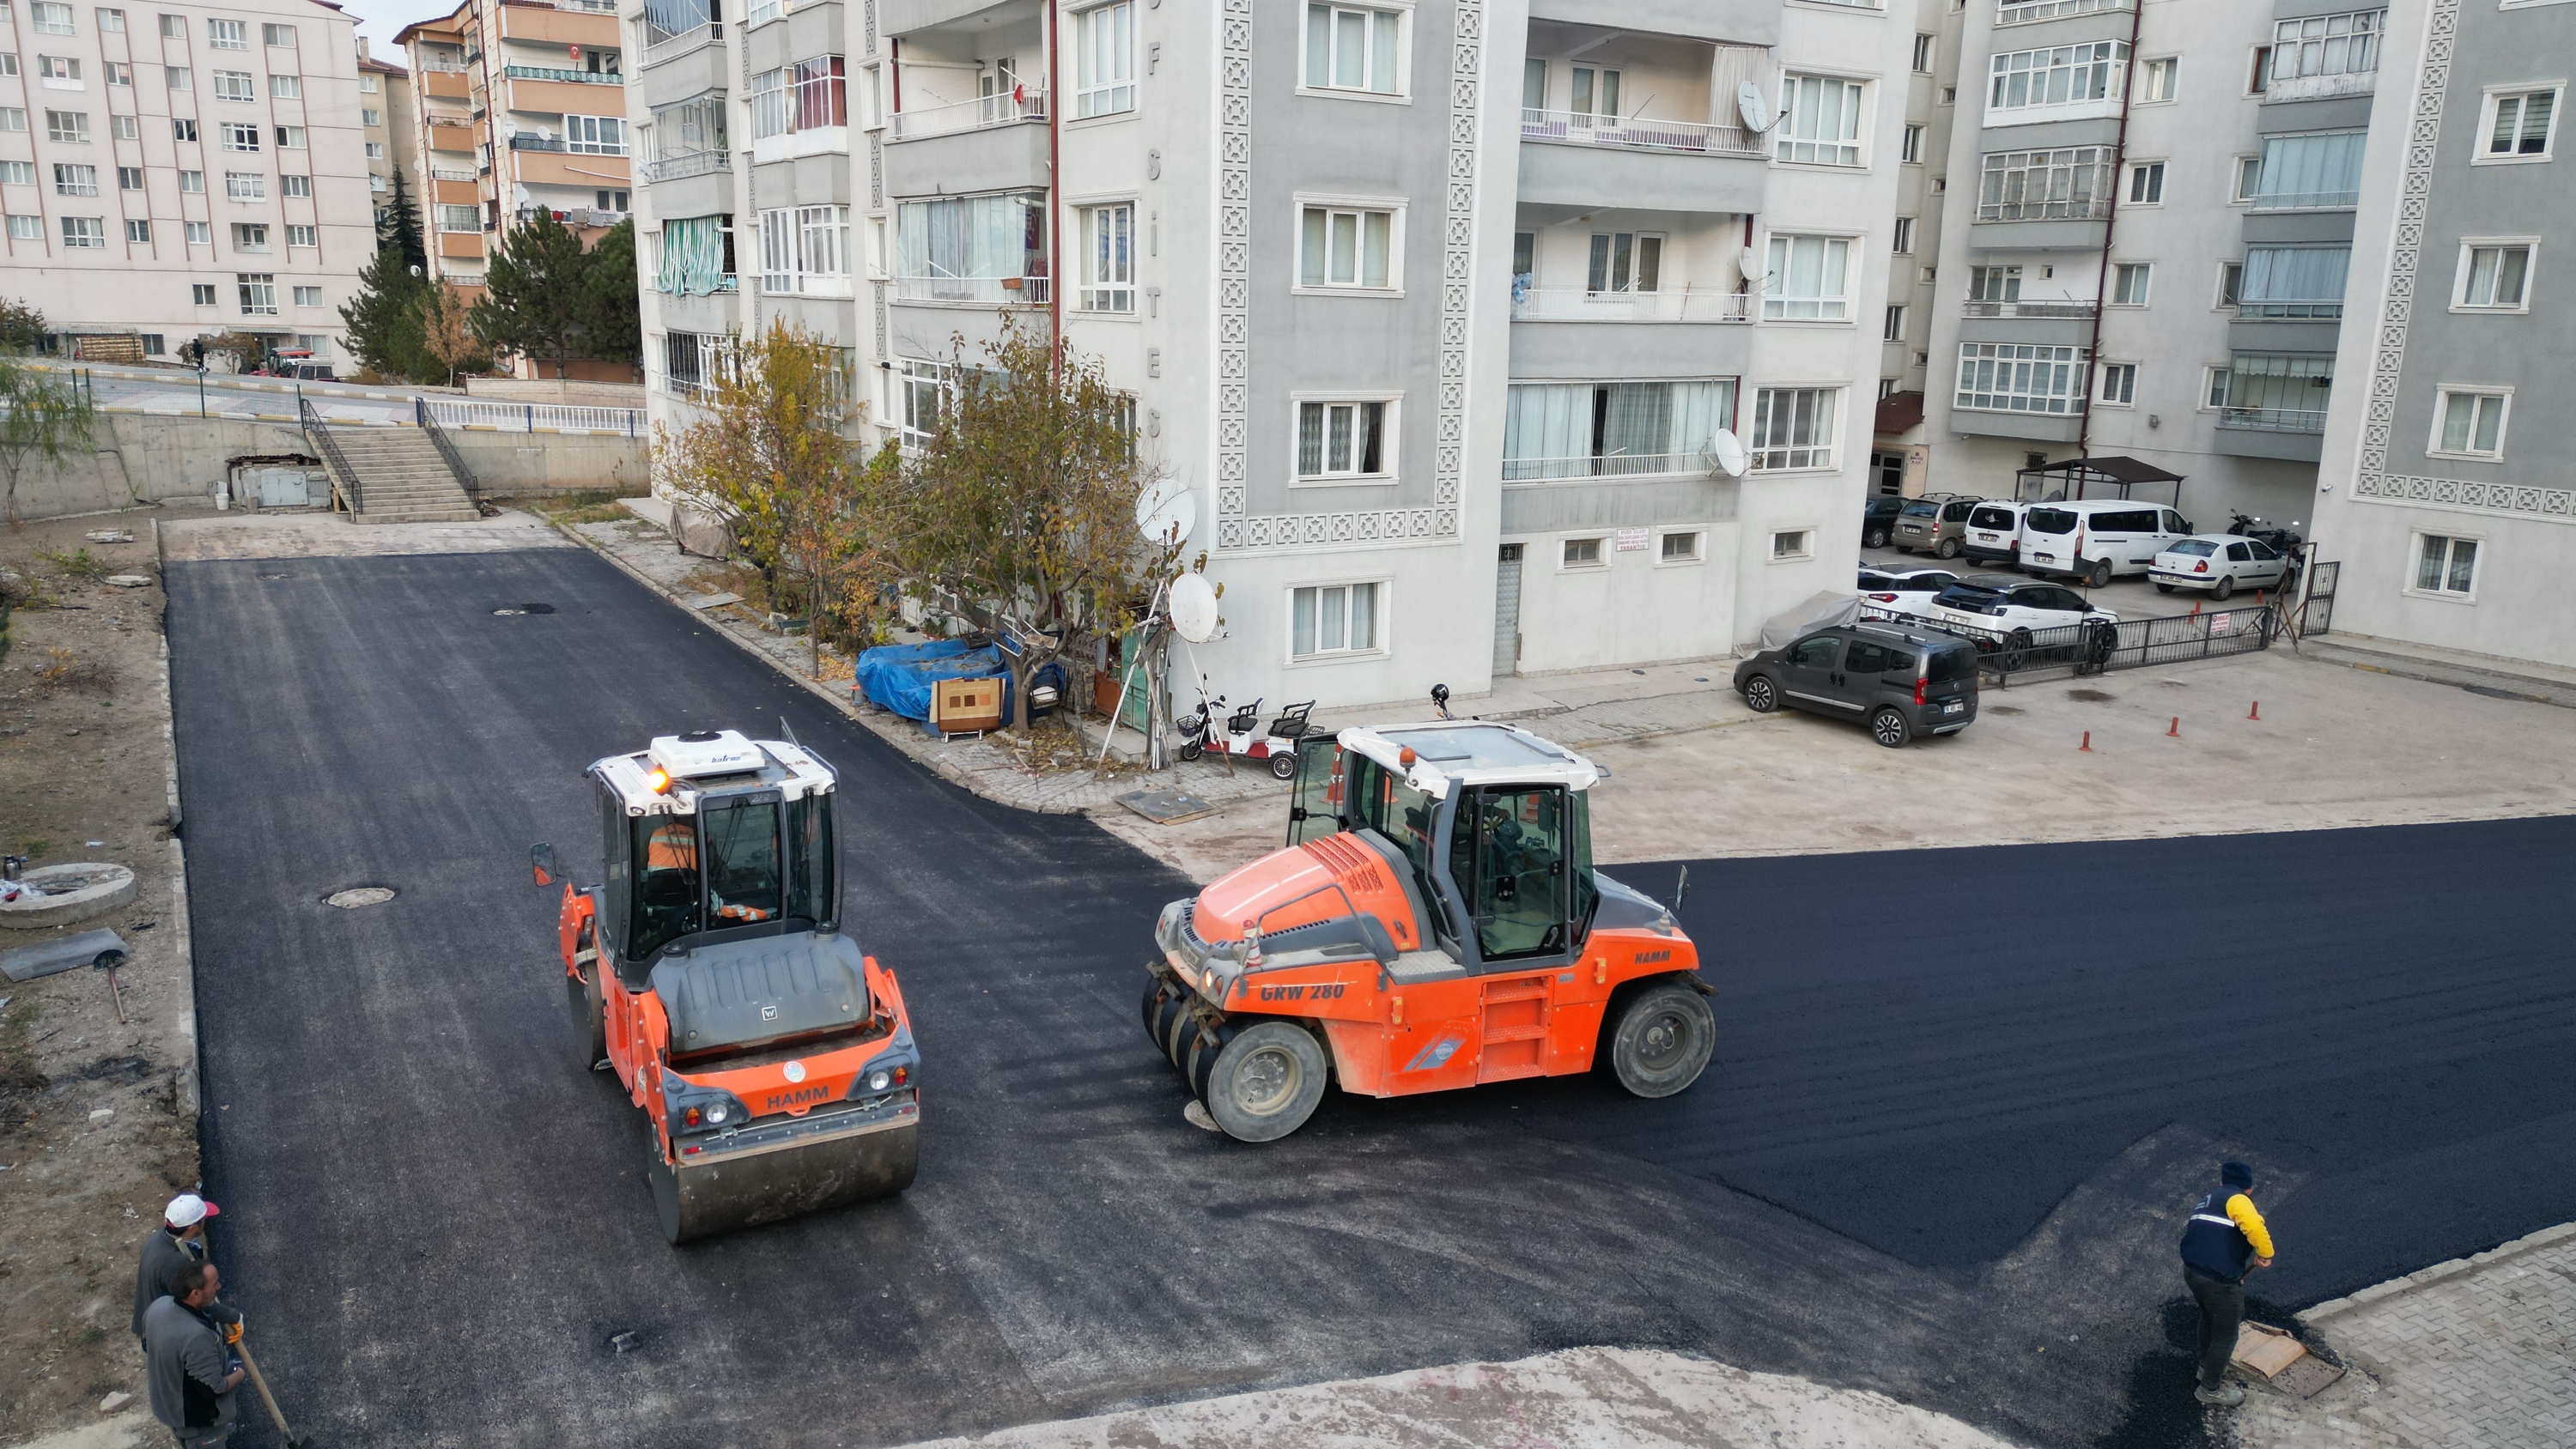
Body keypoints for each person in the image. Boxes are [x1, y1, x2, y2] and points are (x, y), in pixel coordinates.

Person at [2178, 1160, 2275, 1406]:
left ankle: (2205, 1367)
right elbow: (2253, 1226)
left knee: (2208, 1317)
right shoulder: (2239, 1199)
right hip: (2217, 1280)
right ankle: (2209, 1389)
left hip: (2193, 1272)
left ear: (2222, 1181)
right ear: (2249, 1188)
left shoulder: (2211, 1198)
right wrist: (2265, 1254)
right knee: (2226, 1333)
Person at [143, 1260, 244, 1447]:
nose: (219, 1287)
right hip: (199, 1423)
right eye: (214, 1284)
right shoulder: (196, 1337)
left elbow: (146, 1343)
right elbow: (215, 1388)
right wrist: (238, 1373)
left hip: (169, 1404)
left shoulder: (159, 1306)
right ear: (195, 1294)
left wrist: (231, 1316)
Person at [132, 1194, 237, 1345]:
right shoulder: (176, 1262)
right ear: (193, 1227)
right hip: (165, 1335)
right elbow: (197, 1301)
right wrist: (231, 1316)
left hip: (152, 1321)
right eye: (204, 1219)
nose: (206, 1220)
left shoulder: (158, 1238)